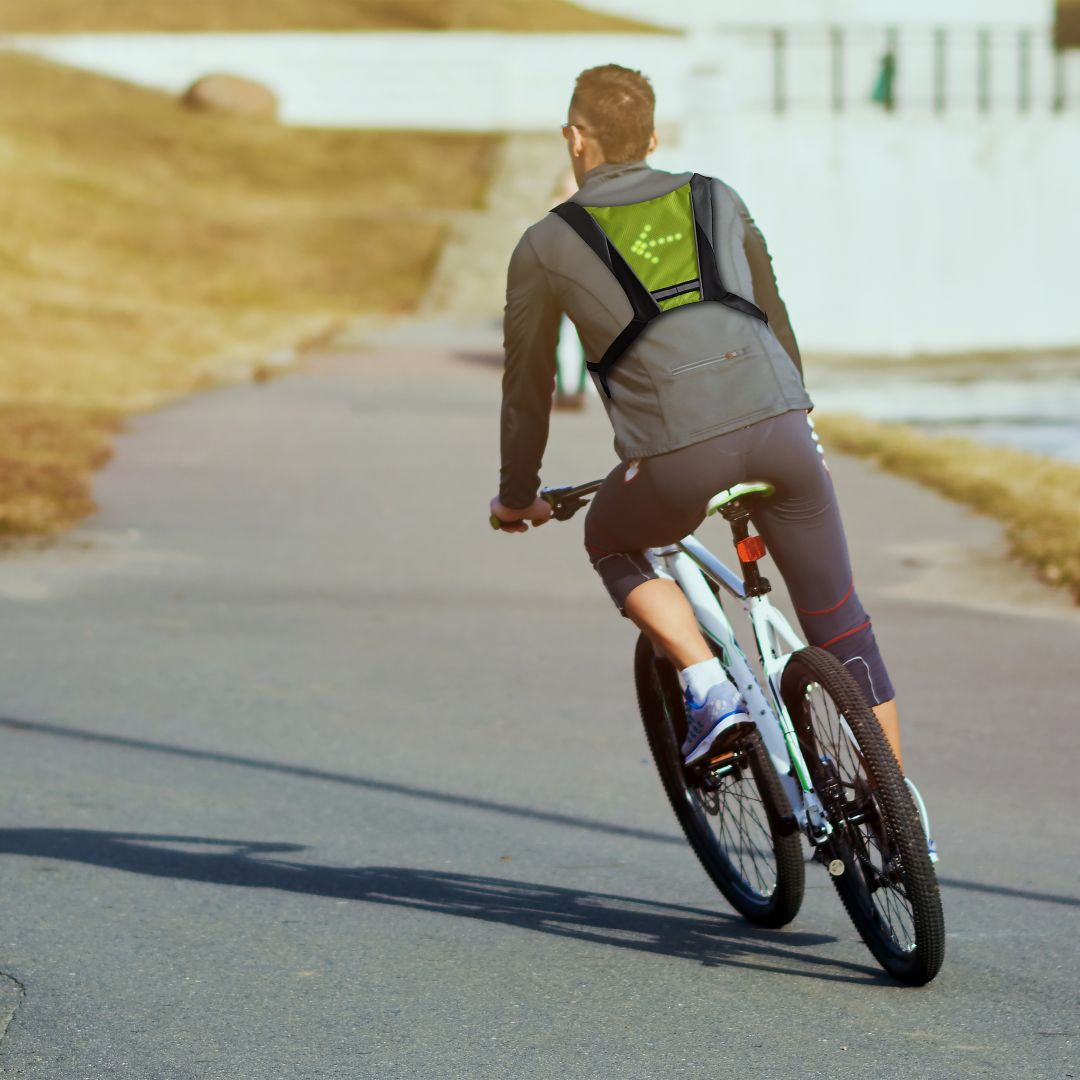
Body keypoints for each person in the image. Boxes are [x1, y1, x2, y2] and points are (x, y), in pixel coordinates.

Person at [488, 64, 904, 771]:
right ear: (651, 135)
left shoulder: (545, 244)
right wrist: (799, 421)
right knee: (840, 621)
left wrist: (519, 495)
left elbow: (526, 387)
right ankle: (902, 830)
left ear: (573, 138)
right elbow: (776, 321)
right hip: (783, 430)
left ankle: (709, 689)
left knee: (610, 538)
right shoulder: (717, 196)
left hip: (679, 460)